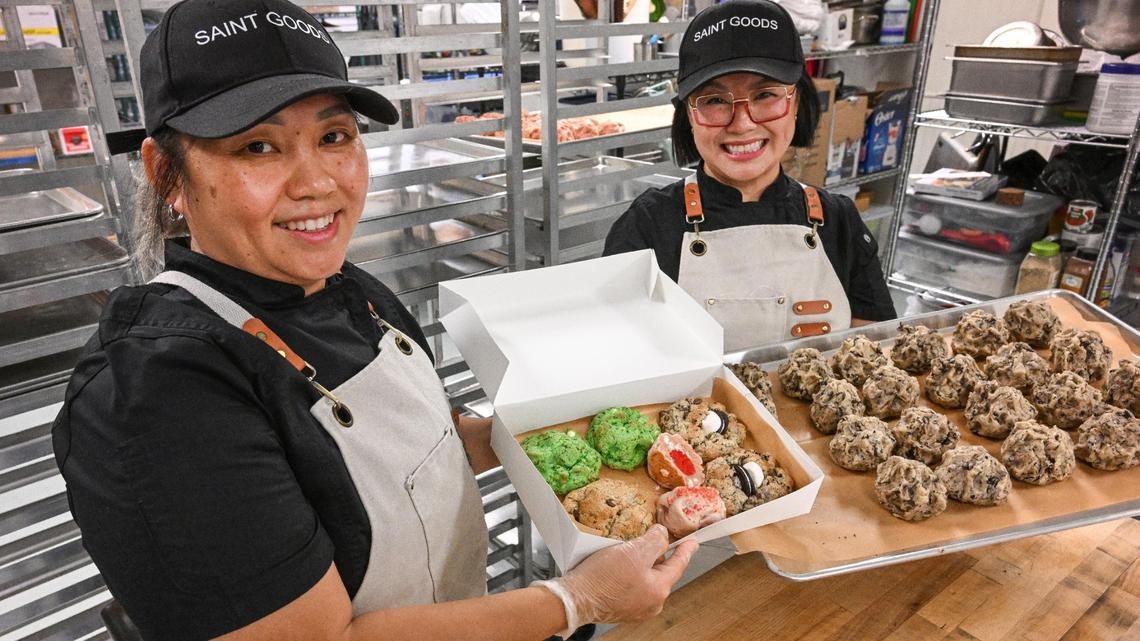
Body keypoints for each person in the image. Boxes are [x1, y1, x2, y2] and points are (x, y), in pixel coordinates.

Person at [51, 1, 697, 639]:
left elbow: (425, 456)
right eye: (258, 146)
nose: (317, 183)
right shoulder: (157, 396)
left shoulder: (348, 290)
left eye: (334, 136)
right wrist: (576, 599)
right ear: (167, 174)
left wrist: (551, 432)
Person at [604, 0, 896, 352]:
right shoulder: (648, 225)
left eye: (765, 95)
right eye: (714, 100)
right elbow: (617, 355)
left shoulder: (839, 221)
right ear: (688, 116)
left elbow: (877, 357)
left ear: (798, 103)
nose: (742, 124)